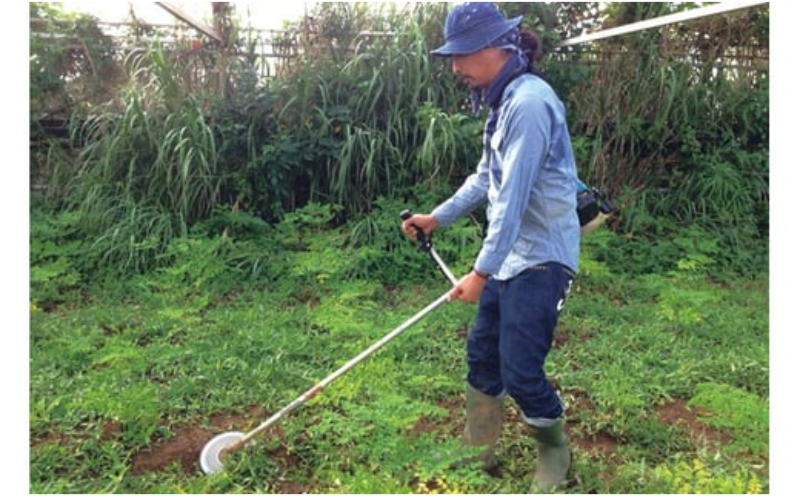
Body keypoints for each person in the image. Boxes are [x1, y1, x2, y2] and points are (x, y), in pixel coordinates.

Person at [401, 3, 580, 492]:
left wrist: (480, 272)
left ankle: (554, 454)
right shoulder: (502, 100)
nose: (455, 67)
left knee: (521, 368)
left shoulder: (529, 104)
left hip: (543, 255)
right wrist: (438, 216)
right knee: (483, 353)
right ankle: (478, 449)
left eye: (461, 55)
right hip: (511, 255)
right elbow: (487, 177)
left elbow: (514, 201)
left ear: (494, 47)